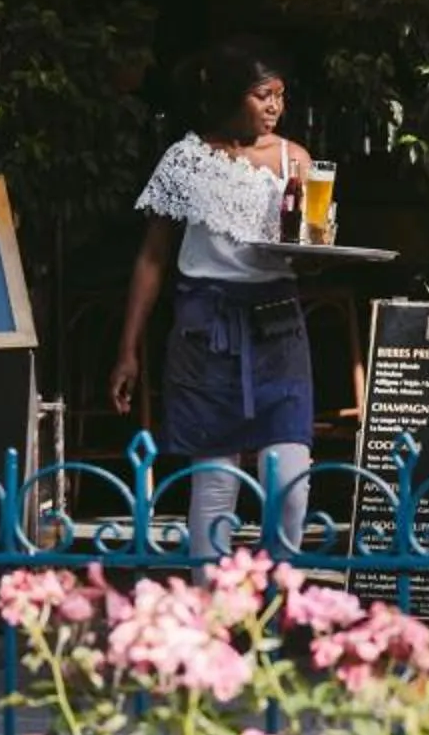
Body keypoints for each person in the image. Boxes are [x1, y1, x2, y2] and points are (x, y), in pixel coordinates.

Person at [112, 41, 316, 561]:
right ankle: (210, 605)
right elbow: (153, 257)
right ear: (230, 96)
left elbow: (310, 248)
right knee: (216, 484)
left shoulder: (295, 159)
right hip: (206, 327)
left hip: (277, 326)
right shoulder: (186, 160)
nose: (275, 106)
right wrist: (128, 350)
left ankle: (282, 597)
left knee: (289, 483)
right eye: (262, 95)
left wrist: (315, 251)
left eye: (280, 96)